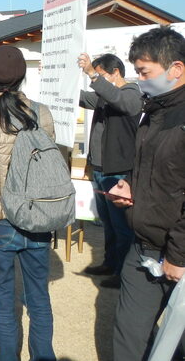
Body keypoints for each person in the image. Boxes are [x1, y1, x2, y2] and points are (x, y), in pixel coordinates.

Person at [0, 45, 57, 361]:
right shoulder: (42, 112)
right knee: (39, 298)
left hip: (0, 215)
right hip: (38, 213)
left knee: (3, 301)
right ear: (22, 76)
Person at [108, 26, 185, 361]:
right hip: (143, 247)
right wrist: (130, 185)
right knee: (129, 337)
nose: (140, 80)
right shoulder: (153, 111)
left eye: (144, 72)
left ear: (176, 69)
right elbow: (150, 167)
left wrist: (178, 256)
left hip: (178, 254)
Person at [77, 52, 142, 289]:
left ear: (115, 72)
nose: (97, 81)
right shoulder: (106, 95)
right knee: (108, 223)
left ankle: (123, 273)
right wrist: (58, 78)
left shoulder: (132, 93)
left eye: (102, 74)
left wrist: (93, 75)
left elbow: (121, 101)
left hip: (118, 172)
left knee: (122, 226)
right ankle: (110, 263)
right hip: (100, 169)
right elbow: (84, 98)